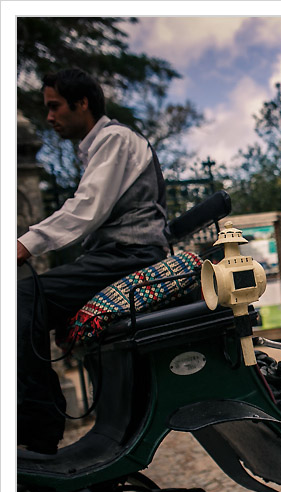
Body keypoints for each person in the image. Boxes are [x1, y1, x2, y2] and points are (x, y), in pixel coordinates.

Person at [18, 68, 169, 454]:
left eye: (54, 107)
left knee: (23, 299)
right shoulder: (100, 145)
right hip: (115, 255)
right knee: (29, 301)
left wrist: (24, 244)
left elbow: (86, 209)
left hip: (130, 256)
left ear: (82, 103)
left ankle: (37, 431)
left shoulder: (114, 139)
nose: (49, 117)